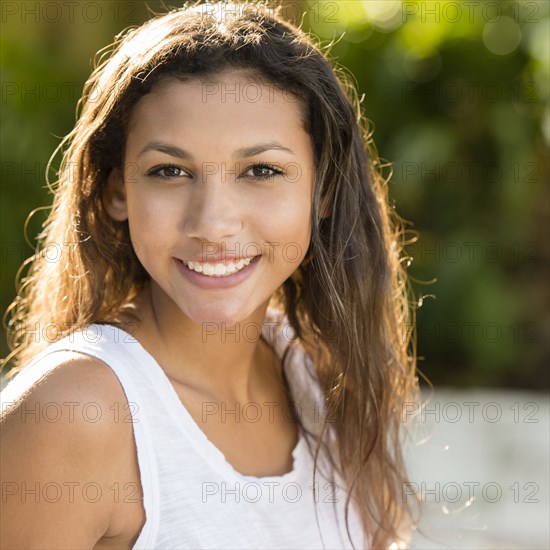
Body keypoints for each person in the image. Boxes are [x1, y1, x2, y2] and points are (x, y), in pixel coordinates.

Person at [0, 2, 419, 548]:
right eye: (169, 171)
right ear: (117, 192)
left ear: (324, 191)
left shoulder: (318, 371)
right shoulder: (76, 414)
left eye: (261, 170)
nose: (213, 224)